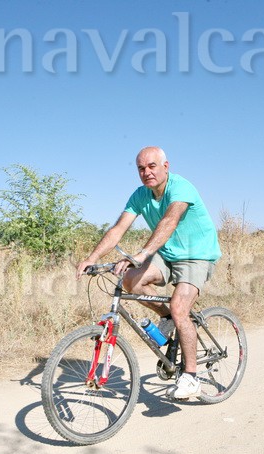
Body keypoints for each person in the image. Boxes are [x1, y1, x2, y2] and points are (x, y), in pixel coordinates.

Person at [76, 146, 221, 399]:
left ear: (166, 166)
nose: (147, 172)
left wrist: (142, 254)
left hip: (196, 254)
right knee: (132, 279)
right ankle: (168, 318)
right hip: (168, 254)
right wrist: (92, 258)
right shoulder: (140, 195)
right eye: (141, 168)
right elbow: (118, 229)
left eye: (152, 166)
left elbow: (169, 221)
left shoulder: (181, 188)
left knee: (180, 308)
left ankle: (191, 377)